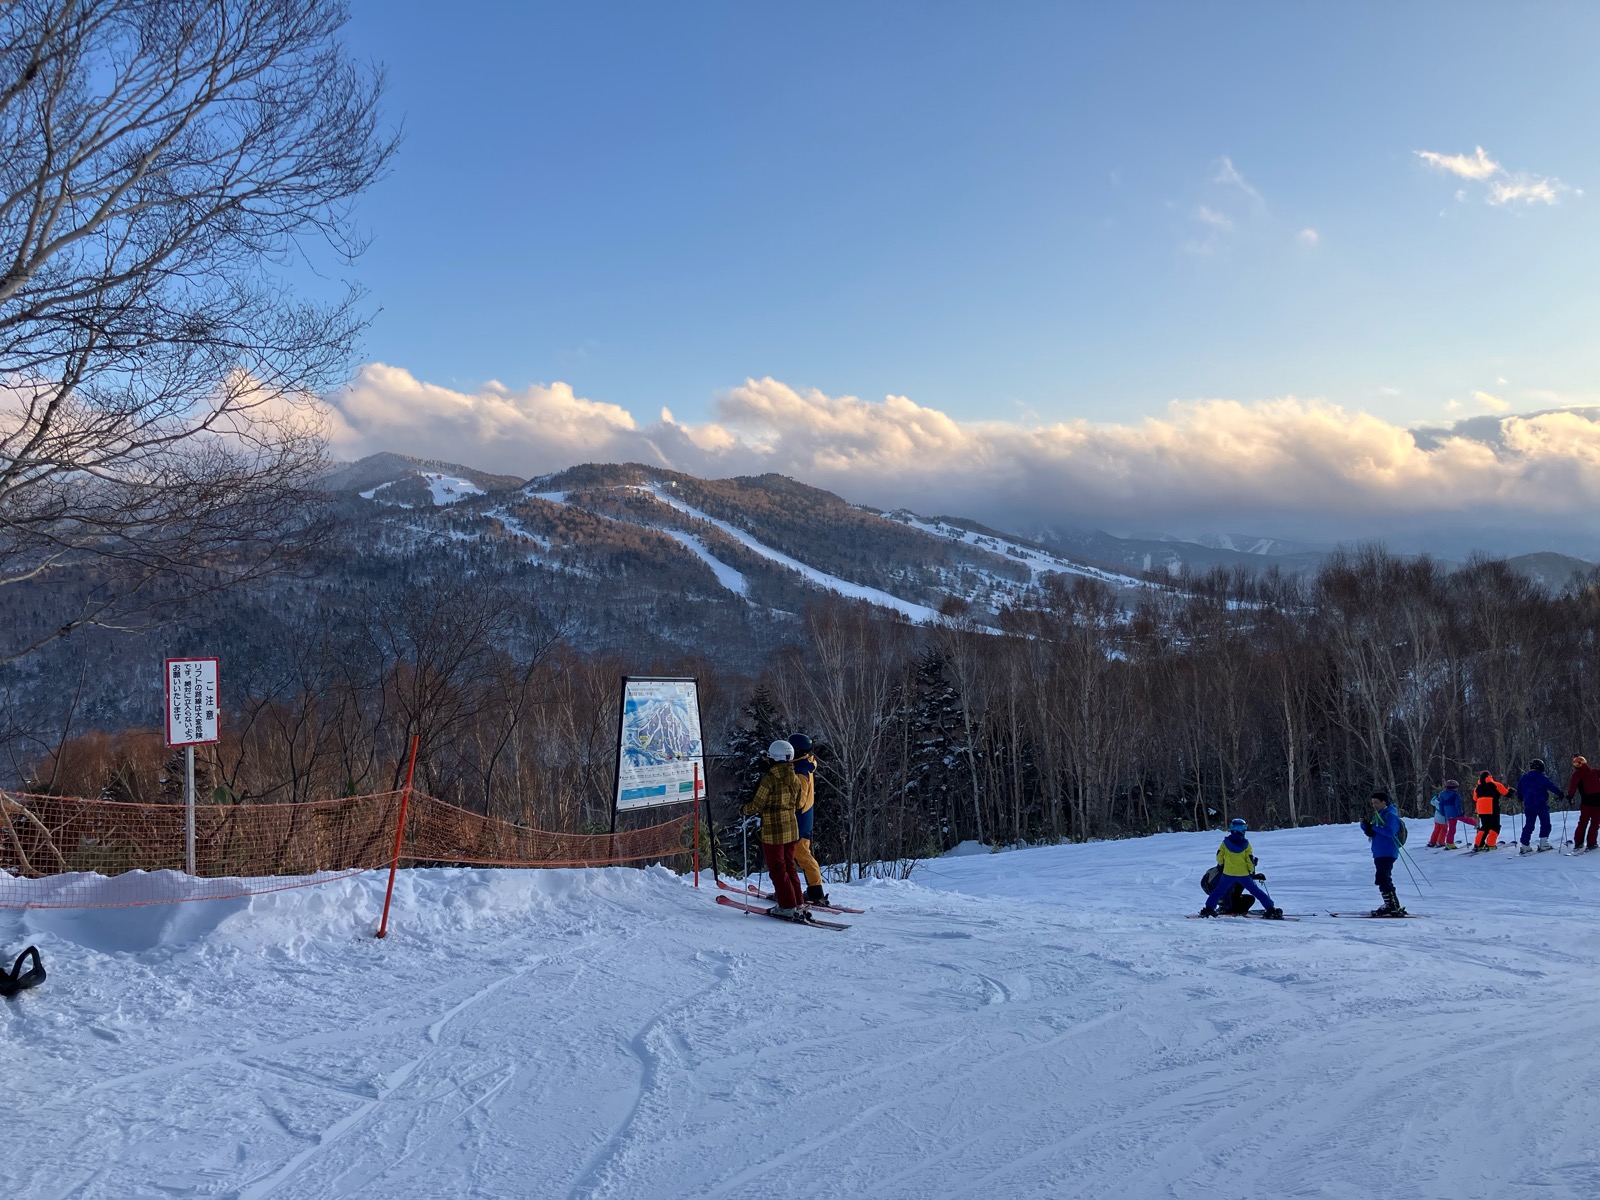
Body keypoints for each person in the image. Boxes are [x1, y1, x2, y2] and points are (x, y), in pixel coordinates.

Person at [740, 740, 806, 917]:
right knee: (789, 866)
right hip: (792, 829)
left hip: (773, 832)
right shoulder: (795, 778)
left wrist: (744, 810)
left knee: (777, 869)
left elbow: (757, 805)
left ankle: (787, 906)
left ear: (774, 758)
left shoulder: (769, 779)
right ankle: (798, 902)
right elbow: (800, 803)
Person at [1199, 818, 1284, 919]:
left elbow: (1219, 856)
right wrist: (1251, 871)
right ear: (1243, 830)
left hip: (1228, 873)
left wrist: (1222, 865)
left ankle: (1208, 909)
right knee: (1256, 891)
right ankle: (1271, 909)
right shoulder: (1246, 844)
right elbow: (1249, 860)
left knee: (1219, 891)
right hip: (1243, 874)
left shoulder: (1225, 843)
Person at [788, 732, 829, 906]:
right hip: (803, 818)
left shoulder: (800, 771)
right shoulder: (805, 765)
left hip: (799, 820)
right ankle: (802, 888)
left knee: (801, 854)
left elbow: (800, 799)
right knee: (796, 855)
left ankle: (815, 890)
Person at [1361, 792, 1406, 916]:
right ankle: (1392, 904)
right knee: (1383, 878)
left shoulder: (1391, 815)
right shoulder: (1378, 815)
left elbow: (1390, 832)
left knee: (1382, 877)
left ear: (1383, 803)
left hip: (1388, 851)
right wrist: (1365, 826)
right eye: (1372, 803)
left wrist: (1374, 827)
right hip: (1379, 851)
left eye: (1376, 802)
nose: (1374, 805)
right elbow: (1372, 832)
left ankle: (1391, 905)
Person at [1515, 760, 1563, 854]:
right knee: (1545, 823)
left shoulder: (1524, 777)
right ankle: (1543, 843)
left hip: (1529, 804)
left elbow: (1519, 789)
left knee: (1529, 825)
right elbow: (1551, 787)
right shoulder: (1542, 777)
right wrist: (1560, 793)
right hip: (1541, 804)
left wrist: (1520, 796)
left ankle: (1525, 845)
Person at [1567, 755, 1600, 854]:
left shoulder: (1577, 775)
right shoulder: (1594, 771)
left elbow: (1573, 787)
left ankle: (1579, 843)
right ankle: (1591, 843)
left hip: (1586, 803)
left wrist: (1570, 796)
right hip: (1598, 802)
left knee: (1582, 823)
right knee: (1595, 823)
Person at [1471, 771, 1509, 853]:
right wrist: (1511, 791)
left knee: (1485, 826)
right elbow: (1506, 793)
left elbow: (1474, 798)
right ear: (1490, 777)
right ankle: (1490, 844)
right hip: (1492, 808)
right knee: (1495, 827)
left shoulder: (1477, 787)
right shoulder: (1495, 784)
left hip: (1481, 809)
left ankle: (1478, 844)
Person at [1429, 780, 1465, 848]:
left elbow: (1434, 801)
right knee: (1444, 829)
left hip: (1437, 818)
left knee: (1437, 829)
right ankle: (1441, 842)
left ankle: (1432, 841)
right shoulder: (1455, 795)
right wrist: (1460, 813)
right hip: (1444, 817)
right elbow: (1457, 805)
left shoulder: (1437, 800)